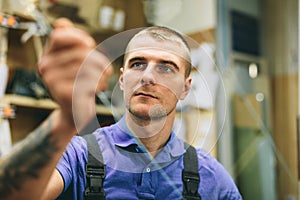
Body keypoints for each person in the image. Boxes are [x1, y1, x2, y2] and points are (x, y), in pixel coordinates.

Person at [0, 18, 242, 200]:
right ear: (123, 80)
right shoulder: (79, 155)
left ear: (185, 89)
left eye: (166, 68)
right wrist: (66, 116)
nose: (147, 76)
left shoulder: (209, 175)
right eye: (138, 64)